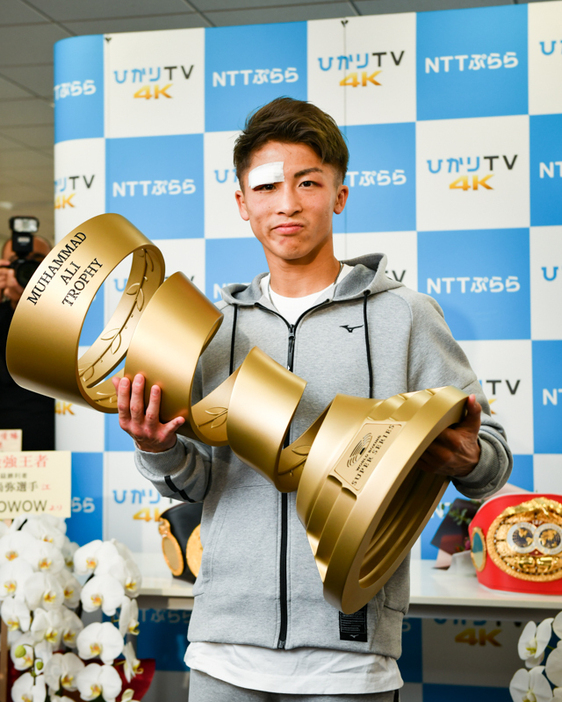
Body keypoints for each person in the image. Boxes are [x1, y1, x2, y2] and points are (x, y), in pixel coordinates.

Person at [114, 97, 512, 701]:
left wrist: (467, 461)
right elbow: (195, 484)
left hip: (349, 659)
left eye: (308, 182)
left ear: (340, 195)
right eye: (267, 187)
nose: (288, 203)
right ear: (243, 204)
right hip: (224, 651)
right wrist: (156, 450)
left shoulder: (405, 314)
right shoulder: (211, 329)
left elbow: (488, 457)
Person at [0, 234, 55, 450]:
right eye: (17, 262)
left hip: (55, 444)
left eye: (37, 261)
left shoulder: (70, 319)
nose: (28, 271)